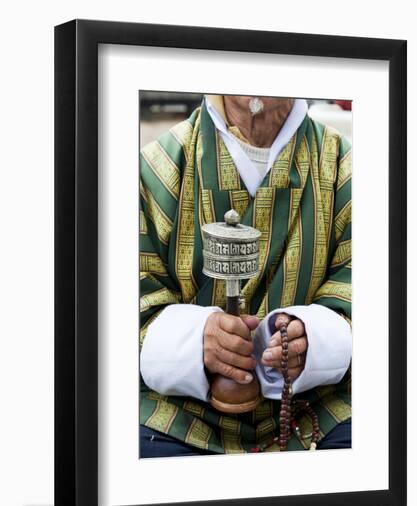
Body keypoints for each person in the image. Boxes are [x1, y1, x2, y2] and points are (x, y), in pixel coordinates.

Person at [139, 94, 352, 457]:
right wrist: (195, 340)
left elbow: (378, 297)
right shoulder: (158, 166)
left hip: (315, 407)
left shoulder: (344, 166)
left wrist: (311, 338)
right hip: (178, 414)